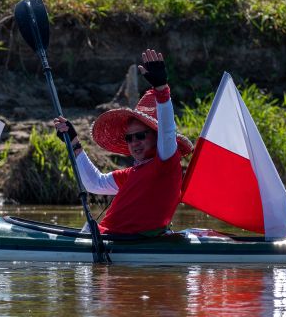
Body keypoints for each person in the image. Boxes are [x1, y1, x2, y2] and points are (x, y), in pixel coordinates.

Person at [53, 49, 193, 236]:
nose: (134, 142)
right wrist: (74, 143)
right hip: (109, 238)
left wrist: (162, 90)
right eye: (130, 138)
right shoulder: (130, 174)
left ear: (156, 137)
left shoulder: (166, 163)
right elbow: (95, 183)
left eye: (141, 136)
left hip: (127, 243)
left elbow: (168, 131)